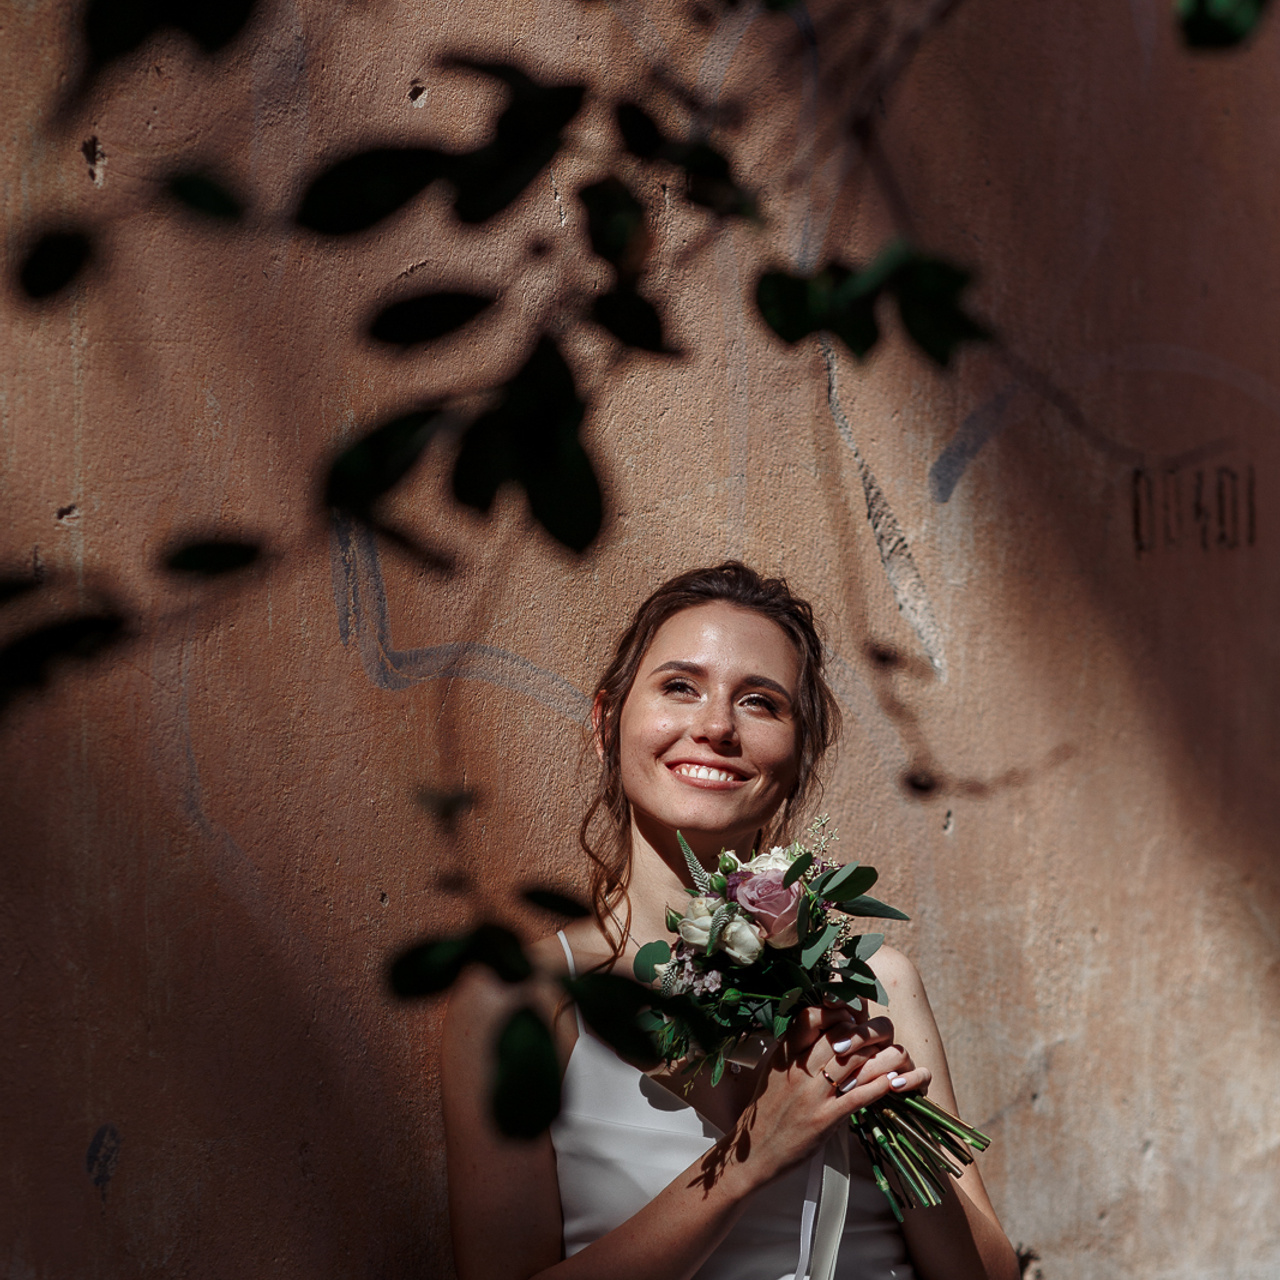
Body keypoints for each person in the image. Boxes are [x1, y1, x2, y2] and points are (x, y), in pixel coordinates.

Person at [442, 563, 1020, 1280]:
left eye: (760, 702)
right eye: (680, 686)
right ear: (605, 724)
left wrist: (887, 1119)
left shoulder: (874, 985)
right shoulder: (520, 999)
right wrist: (752, 1156)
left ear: (800, 754)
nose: (715, 726)